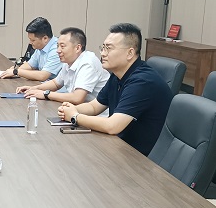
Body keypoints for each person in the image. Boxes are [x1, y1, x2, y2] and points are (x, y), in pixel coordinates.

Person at [58, 23, 173, 156]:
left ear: (130, 53)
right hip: (120, 145)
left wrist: (75, 116)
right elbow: (94, 107)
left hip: (140, 157)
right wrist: (72, 109)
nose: (102, 53)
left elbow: (112, 126)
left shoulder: (142, 81)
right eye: (103, 48)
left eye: (109, 48)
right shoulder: (117, 75)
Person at [16, 27, 109, 105]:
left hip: (97, 116)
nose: (58, 50)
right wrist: (34, 88)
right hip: (78, 110)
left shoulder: (88, 63)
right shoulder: (69, 61)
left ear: (77, 48)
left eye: (62, 46)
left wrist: (45, 94)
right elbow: (56, 83)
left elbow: (77, 98)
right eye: (57, 46)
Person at [0, 17, 62, 81]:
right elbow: (30, 65)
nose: (30, 43)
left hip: (54, 86)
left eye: (33, 40)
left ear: (45, 38)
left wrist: (16, 72)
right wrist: (15, 70)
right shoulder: (41, 46)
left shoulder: (57, 50)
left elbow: (43, 76)